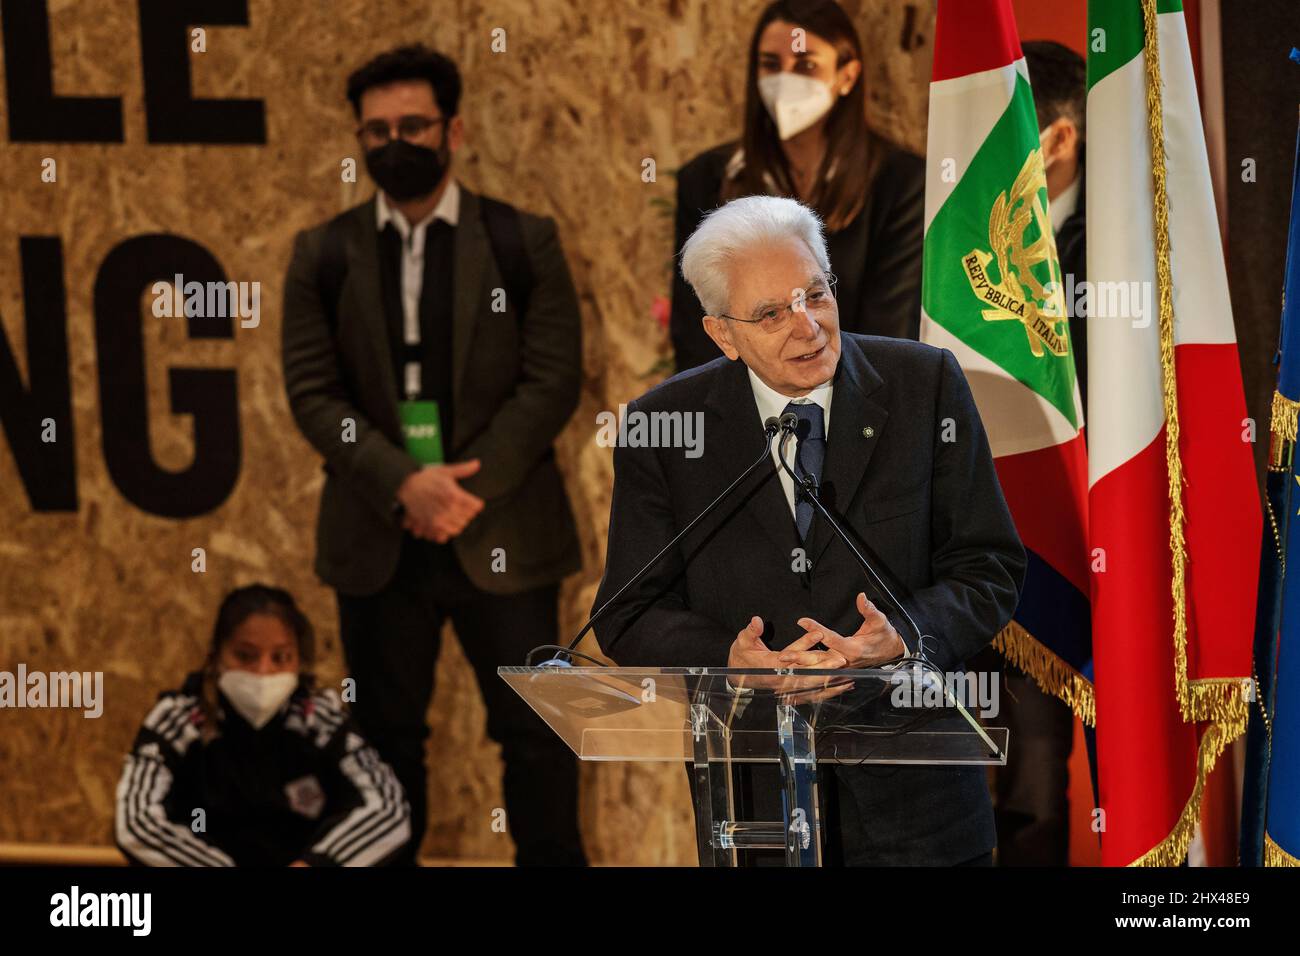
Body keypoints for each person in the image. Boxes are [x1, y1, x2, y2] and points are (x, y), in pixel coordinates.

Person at [594, 196, 1026, 865]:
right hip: (757, 807)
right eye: (771, 313)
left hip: (922, 801)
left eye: (815, 295)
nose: (808, 327)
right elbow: (628, 611)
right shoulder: (663, 430)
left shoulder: (925, 386)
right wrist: (731, 657)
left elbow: (988, 568)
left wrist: (903, 637)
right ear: (722, 334)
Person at [281, 44, 586, 866]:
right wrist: (403, 483)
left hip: (506, 535)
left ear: (453, 130)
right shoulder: (323, 253)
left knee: (536, 738)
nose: (393, 143)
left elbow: (552, 382)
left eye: (411, 125)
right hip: (378, 536)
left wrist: (458, 492)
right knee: (383, 745)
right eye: (375, 130)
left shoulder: (526, 242)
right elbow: (313, 396)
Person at [670, 0, 925, 371]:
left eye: (806, 65)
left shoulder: (900, 183)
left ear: (846, 76)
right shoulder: (707, 179)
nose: (786, 80)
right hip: (741, 404)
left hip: (857, 401)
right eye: (771, 65)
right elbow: (697, 330)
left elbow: (890, 330)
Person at [987, 39, 1089, 867]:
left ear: (1055, 140)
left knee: (1038, 786)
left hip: (1087, 547)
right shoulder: (963, 240)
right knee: (973, 773)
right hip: (977, 548)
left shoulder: (1121, 249)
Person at [114, 585, 410, 867]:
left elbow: (387, 810)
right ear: (216, 656)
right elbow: (137, 821)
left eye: (280, 657)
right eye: (245, 656)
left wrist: (315, 864)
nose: (263, 671)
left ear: (298, 661)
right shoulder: (180, 718)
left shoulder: (321, 719)